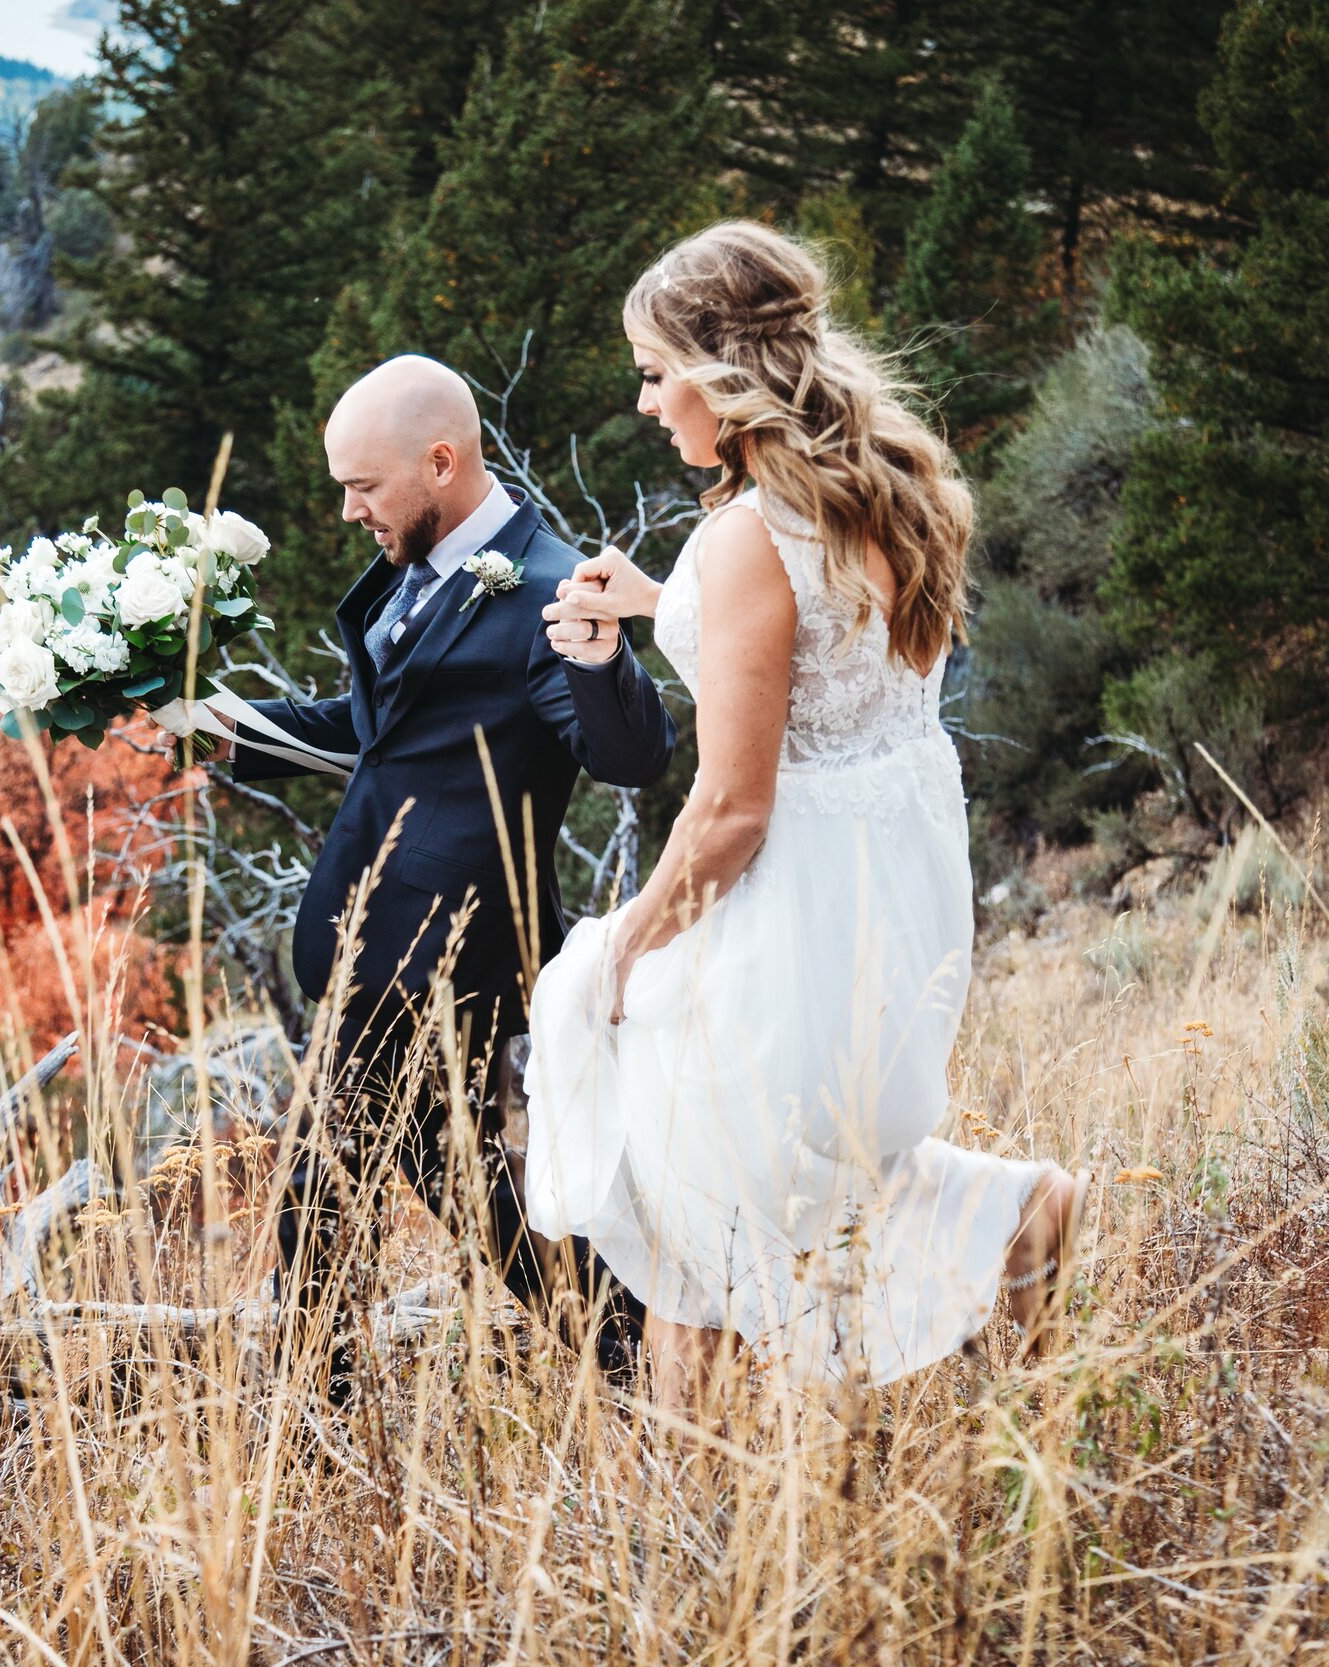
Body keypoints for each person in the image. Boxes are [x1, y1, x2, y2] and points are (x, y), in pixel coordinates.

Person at [527, 223, 1087, 1415]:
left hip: (789, 894)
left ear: (716, 369)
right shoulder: (888, 479)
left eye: (651, 370)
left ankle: (683, 1513)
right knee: (792, 1168)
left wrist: (631, 944)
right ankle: (1004, 1214)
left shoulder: (744, 536)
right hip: (893, 872)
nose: (644, 402)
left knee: (698, 1182)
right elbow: (817, 650)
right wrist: (658, 600)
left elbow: (730, 807)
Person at [211, 354, 678, 1397]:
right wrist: (219, 730)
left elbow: (632, 757)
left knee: (331, 1175)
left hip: (447, 954)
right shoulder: (418, 571)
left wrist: (604, 662)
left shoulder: (549, 586)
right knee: (454, 1176)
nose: (347, 511)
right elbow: (373, 733)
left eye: (363, 486)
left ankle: (312, 1404)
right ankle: (633, 1346)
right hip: (375, 946)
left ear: (439, 462)